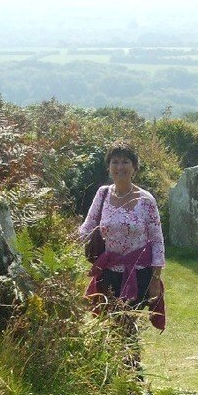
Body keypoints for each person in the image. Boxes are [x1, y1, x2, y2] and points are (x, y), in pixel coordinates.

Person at [79, 142, 166, 338]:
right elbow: (88, 226)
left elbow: (157, 241)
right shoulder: (102, 194)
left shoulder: (146, 200)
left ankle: (129, 366)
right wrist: (66, 243)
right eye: (114, 162)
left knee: (124, 323)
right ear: (108, 167)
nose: (119, 167)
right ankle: (127, 366)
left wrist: (155, 279)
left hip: (139, 274)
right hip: (108, 273)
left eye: (125, 161)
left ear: (135, 167)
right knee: (112, 323)